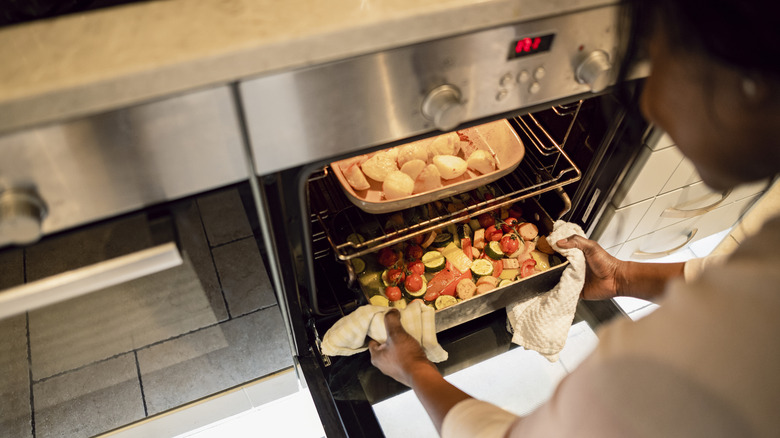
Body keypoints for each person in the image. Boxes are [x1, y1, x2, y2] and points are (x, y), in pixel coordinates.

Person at [368, 0, 780, 436]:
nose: (648, 102)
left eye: (655, 57)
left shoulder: (675, 364)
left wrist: (414, 367)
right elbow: (732, 280)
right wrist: (622, 277)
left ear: (750, 84)